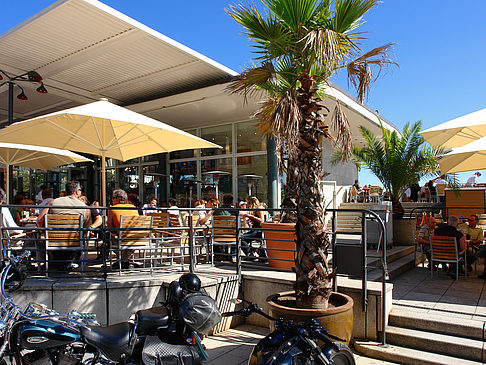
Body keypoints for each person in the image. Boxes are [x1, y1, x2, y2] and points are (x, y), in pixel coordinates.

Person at [36, 181, 90, 271]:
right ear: (77, 192)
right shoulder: (84, 207)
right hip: (74, 244)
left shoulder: (53, 202)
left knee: (39, 238)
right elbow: (86, 229)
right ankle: (70, 263)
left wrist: (43, 231)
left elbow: (39, 221)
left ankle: (49, 263)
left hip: (53, 243)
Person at [107, 189, 139, 269]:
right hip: (135, 239)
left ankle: (122, 261)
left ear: (117, 199)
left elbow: (109, 227)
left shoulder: (112, 209)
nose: (112, 199)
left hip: (121, 240)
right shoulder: (133, 208)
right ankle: (125, 261)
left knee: (107, 235)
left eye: (113, 198)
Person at [240, 196, 267, 261]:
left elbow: (262, 220)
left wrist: (251, 216)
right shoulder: (257, 209)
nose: (248, 205)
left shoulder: (259, 208)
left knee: (241, 239)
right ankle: (252, 251)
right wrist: (251, 218)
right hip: (255, 229)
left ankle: (250, 253)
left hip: (258, 230)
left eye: (248, 203)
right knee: (242, 238)